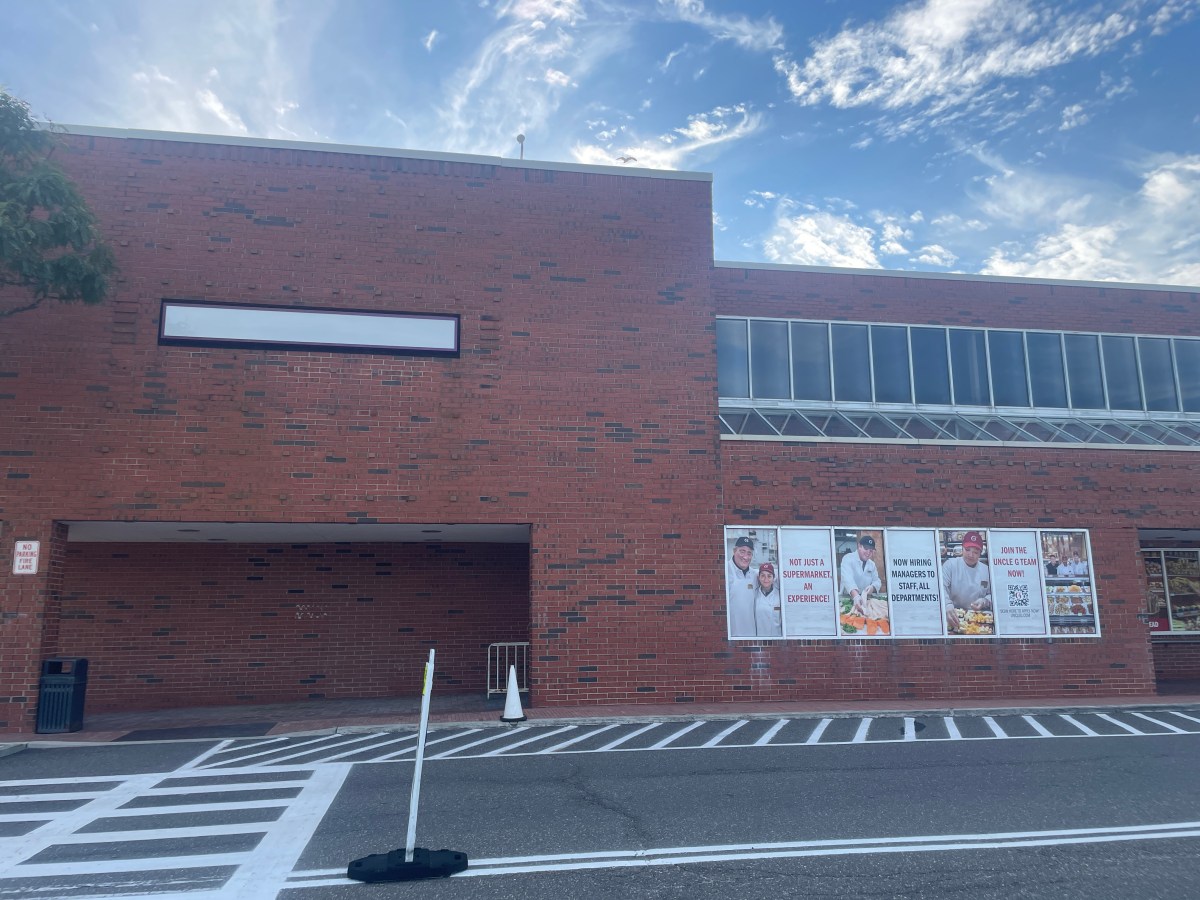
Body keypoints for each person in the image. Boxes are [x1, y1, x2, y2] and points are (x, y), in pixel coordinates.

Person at [944, 530, 991, 633]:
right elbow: (941, 589)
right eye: (967, 550)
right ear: (962, 548)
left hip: (976, 620)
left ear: (981, 552)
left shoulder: (986, 570)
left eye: (975, 552)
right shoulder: (950, 565)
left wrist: (984, 601)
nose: (970, 555)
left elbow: (993, 595)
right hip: (953, 616)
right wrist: (947, 605)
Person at [840, 535, 883, 617]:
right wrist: (856, 596)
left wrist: (872, 588)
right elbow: (848, 579)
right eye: (866, 549)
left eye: (871, 550)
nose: (868, 553)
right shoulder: (848, 559)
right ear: (859, 546)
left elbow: (877, 581)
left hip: (865, 602)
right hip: (848, 599)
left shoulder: (872, 564)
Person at [726, 536, 759, 636]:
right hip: (730, 636)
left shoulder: (755, 575)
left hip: (752, 636)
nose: (746, 557)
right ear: (734, 551)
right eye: (742, 551)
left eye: (749, 553)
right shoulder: (725, 571)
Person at [753, 563, 783, 637]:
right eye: (762, 576)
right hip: (760, 639)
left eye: (769, 576)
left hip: (777, 639)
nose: (766, 579)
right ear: (758, 578)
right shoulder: (754, 596)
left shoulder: (780, 596)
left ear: (774, 578)